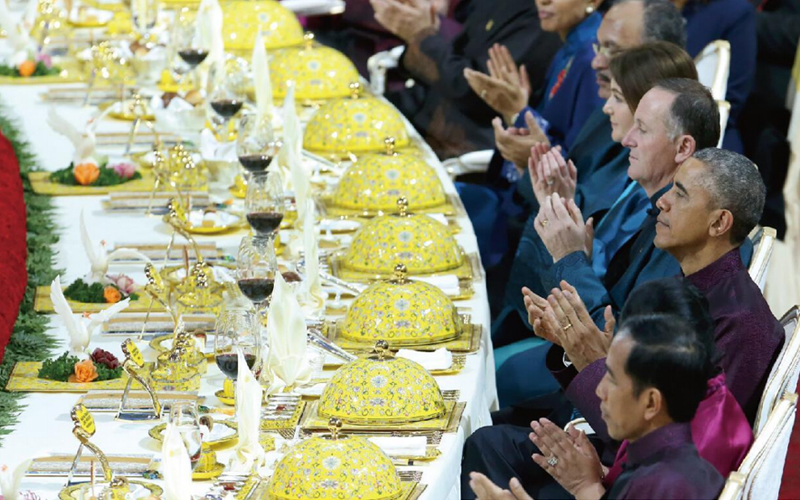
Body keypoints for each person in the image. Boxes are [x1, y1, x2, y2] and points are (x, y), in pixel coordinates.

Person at [493, 73, 708, 408]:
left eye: (643, 129)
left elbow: (618, 339)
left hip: (612, 392)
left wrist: (572, 258)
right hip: (580, 355)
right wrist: (577, 252)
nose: (628, 140)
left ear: (683, 148)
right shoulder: (658, 207)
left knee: (496, 377)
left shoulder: (678, 229)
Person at [457, 0, 685, 278]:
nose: (597, 61)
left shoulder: (647, 149)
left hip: (552, 259)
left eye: (613, 51)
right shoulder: (607, 105)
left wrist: (526, 134)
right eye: (598, 47)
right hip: (536, 238)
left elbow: (591, 220)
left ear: (655, 60)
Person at [467, 313, 726, 499]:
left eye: (612, 380)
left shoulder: (665, 484)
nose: (599, 390)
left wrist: (585, 488)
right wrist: (592, 479)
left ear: (651, 402)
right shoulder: (661, 452)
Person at [370, 0, 562, 159]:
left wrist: (422, 35)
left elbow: (475, 91)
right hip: (423, 107)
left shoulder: (541, 16)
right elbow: (456, 47)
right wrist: (427, 27)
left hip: (459, 143)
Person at [675, 0, 757, 153]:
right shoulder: (644, 6)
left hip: (704, 139)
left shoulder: (734, 11)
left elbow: (732, 97)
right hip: (642, 123)